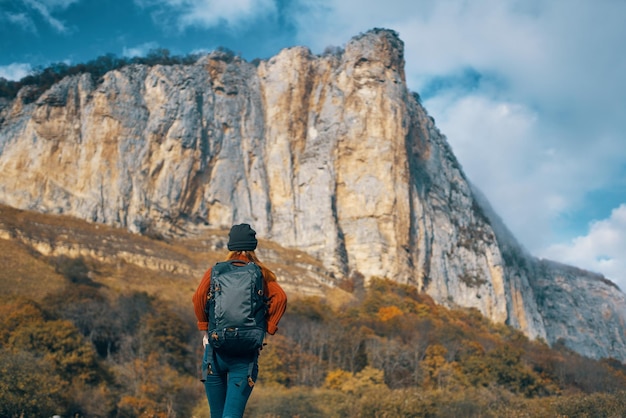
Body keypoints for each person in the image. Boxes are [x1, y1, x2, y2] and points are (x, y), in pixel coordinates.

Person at [192, 223, 287, 418]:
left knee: (216, 415)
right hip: (245, 353)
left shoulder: (216, 271)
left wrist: (204, 329)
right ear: (253, 246)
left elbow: (199, 297)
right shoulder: (261, 273)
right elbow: (281, 298)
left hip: (215, 352)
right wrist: (266, 329)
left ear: (230, 246)